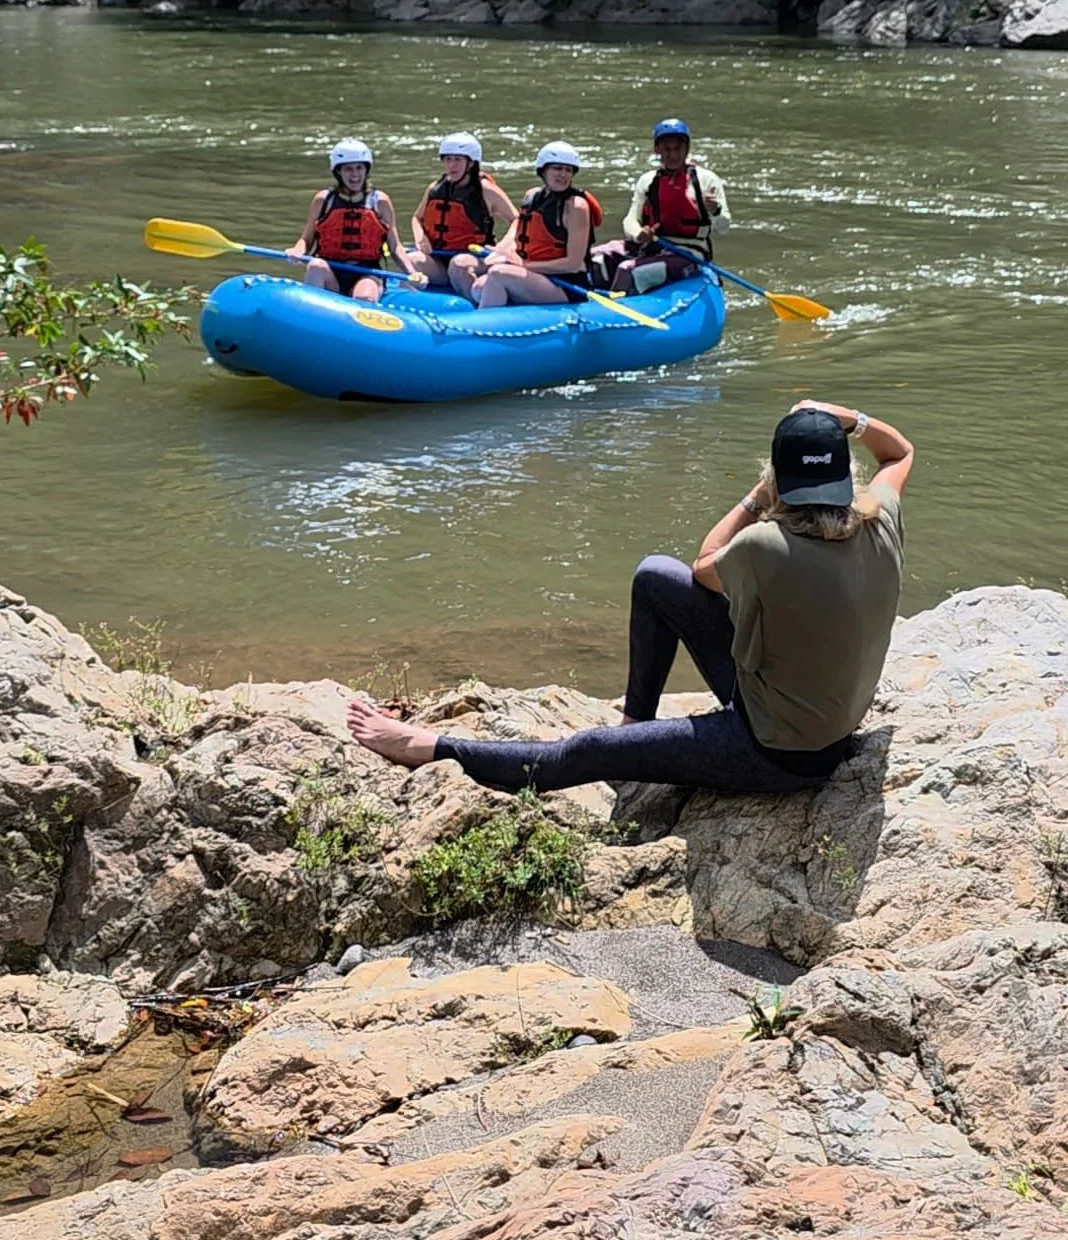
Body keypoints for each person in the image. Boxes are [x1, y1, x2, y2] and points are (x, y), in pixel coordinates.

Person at [346, 400, 915, 796]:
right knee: (653, 577)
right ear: (845, 478)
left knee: (587, 751)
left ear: (777, 483)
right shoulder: (880, 516)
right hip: (812, 715)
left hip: (781, 752)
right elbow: (899, 453)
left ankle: (430, 747)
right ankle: (635, 719)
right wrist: (850, 420)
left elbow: (705, 563)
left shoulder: (766, 543)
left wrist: (756, 494)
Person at [592, 119, 730, 296]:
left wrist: (715, 211)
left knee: (628, 270)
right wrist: (638, 234)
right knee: (596, 257)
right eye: (666, 149)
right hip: (653, 245)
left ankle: (615, 313)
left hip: (690, 253)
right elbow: (631, 219)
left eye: (677, 149)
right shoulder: (648, 180)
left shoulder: (706, 181)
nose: (672, 155)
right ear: (657, 150)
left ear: (686, 149)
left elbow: (724, 227)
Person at [470, 142, 604, 310]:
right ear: (543, 170)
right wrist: (506, 252)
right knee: (479, 287)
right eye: (557, 168)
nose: (563, 174)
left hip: (566, 284)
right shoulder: (532, 197)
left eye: (568, 170)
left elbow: (573, 264)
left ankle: (484, 331)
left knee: (499, 275)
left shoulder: (576, 207)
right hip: (536, 275)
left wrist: (523, 265)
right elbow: (521, 238)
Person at [288, 138, 415, 303]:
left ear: (366, 170)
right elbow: (307, 239)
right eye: (348, 169)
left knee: (364, 297)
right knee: (315, 266)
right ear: (338, 172)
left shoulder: (380, 202)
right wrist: (297, 251)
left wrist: (412, 272)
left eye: (359, 168)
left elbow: (395, 246)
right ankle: (308, 317)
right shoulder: (323, 200)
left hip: (367, 272)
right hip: (331, 269)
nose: (355, 174)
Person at [406, 133, 518, 296]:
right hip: (440, 259)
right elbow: (417, 218)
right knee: (411, 260)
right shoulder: (434, 189)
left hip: (474, 259)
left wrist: (502, 247)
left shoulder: (486, 190)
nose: (452, 165)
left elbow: (517, 220)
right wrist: (421, 237)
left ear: (471, 163)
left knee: (459, 264)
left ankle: (478, 306)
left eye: (458, 159)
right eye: (448, 159)